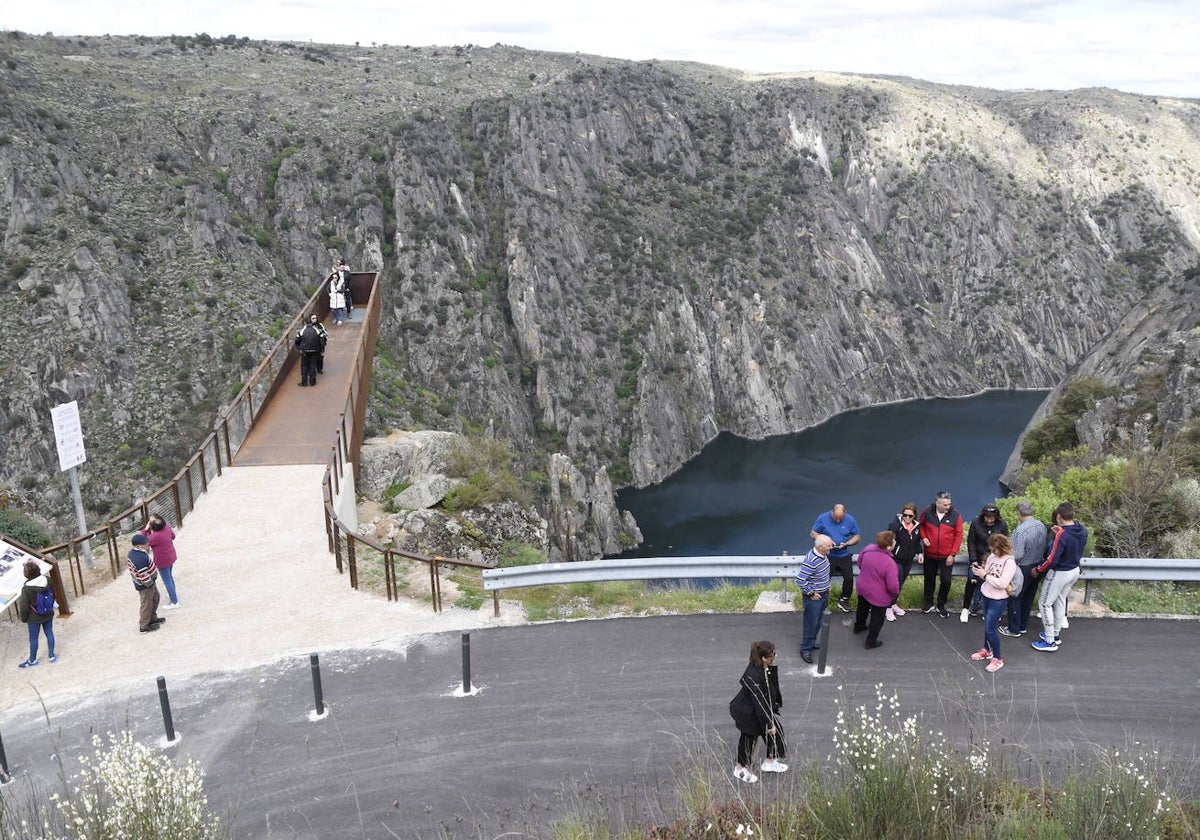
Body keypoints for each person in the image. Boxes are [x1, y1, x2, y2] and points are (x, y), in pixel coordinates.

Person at [728, 640, 788, 783]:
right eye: (772, 655)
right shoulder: (753, 676)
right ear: (763, 658)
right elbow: (759, 703)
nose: (775, 656)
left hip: (756, 709)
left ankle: (769, 762)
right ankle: (740, 769)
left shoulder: (762, 667)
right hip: (746, 712)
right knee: (749, 738)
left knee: (776, 732)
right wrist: (769, 723)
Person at [1031, 502, 1087, 652]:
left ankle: (1049, 641)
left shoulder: (1062, 535)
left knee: (1044, 603)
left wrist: (1038, 569)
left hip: (1059, 572)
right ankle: (1055, 635)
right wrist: (1061, 531)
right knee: (1060, 601)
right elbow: (1077, 542)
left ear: (1059, 517)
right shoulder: (1081, 529)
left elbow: (1052, 559)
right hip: (1074, 570)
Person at [970, 533, 1017, 673]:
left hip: (999, 599)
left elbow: (1002, 583)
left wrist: (984, 575)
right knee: (988, 626)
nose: (992, 551)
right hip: (986, 594)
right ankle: (987, 650)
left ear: (1001, 547)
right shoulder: (992, 557)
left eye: (994, 549)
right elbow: (988, 575)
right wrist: (981, 572)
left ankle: (998, 658)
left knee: (991, 629)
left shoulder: (1009, 562)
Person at [1001, 501, 1048, 637]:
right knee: (1029, 597)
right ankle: (1022, 625)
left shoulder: (1020, 531)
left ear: (1019, 514)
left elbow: (1018, 555)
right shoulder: (1041, 525)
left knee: (1015, 597)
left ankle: (1013, 629)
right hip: (1038, 566)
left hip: (1024, 568)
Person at [918, 491, 964, 618]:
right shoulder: (926, 511)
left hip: (946, 556)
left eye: (949, 504)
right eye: (945, 505)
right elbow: (920, 525)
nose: (948, 507)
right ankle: (928, 603)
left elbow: (958, 535)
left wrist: (952, 554)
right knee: (929, 579)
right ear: (937, 503)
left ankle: (941, 604)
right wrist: (924, 537)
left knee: (946, 580)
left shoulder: (955, 515)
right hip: (930, 554)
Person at [961, 504, 1009, 622]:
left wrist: (997, 558)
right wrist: (974, 560)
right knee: (971, 582)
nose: (989, 520)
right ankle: (965, 609)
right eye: (987, 517)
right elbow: (971, 542)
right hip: (977, 557)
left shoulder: (1002, 525)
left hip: (994, 559)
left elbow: (1003, 542)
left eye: (992, 517)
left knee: (991, 583)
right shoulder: (976, 523)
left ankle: (989, 611)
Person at [853, 531, 899, 650]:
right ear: (889, 546)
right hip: (879, 595)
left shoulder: (868, 549)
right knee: (877, 618)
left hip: (863, 586)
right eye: (894, 541)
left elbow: (859, 563)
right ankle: (870, 641)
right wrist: (894, 595)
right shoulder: (890, 563)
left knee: (862, 609)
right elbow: (892, 585)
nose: (895, 542)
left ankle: (859, 626)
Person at [810, 503, 860, 612]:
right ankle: (822, 600)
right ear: (832, 512)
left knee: (849, 578)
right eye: (835, 518)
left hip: (843, 554)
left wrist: (847, 543)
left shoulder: (850, 520)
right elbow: (813, 533)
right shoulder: (823, 518)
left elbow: (857, 537)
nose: (838, 521)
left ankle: (844, 600)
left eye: (840, 519)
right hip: (827, 554)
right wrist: (825, 540)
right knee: (824, 578)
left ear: (845, 513)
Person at [795, 534, 832, 664]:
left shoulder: (823, 555)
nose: (831, 547)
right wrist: (811, 593)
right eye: (829, 546)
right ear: (820, 547)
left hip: (823, 593)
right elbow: (800, 580)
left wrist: (827, 584)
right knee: (811, 623)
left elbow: (822, 573)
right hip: (814, 598)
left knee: (819, 622)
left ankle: (810, 643)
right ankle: (805, 649)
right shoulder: (812, 560)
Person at [886, 502, 924, 620]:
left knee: (900, 583)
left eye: (910, 516)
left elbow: (917, 542)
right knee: (895, 584)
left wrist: (920, 552)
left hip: (908, 560)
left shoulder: (917, 527)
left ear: (914, 516)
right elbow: (888, 541)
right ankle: (887, 608)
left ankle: (893, 604)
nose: (907, 518)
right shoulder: (895, 525)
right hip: (895, 560)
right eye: (905, 515)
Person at [16, 561, 56, 667]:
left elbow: (24, 607)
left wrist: (24, 618)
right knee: (49, 633)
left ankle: (32, 660)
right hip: (48, 613)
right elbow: (53, 593)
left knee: (34, 639)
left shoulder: (26, 588)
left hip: (34, 618)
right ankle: (51, 656)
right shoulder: (47, 580)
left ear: (27, 573)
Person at [128, 534, 165, 634]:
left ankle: (152, 618)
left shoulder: (135, 553)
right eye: (145, 543)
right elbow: (143, 575)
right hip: (146, 585)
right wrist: (150, 584)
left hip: (149, 582)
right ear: (138, 546)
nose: (148, 544)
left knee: (155, 598)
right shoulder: (139, 559)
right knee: (146, 604)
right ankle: (144, 626)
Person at [142, 513, 180, 609]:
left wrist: (146, 530)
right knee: (170, 577)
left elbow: (142, 542)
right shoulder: (166, 528)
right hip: (171, 556)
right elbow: (173, 536)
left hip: (162, 561)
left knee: (167, 581)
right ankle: (172, 593)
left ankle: (174, 602)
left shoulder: (154, 537)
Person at [295, 315, 325, 386]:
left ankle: (304, 382)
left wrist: (299, 348)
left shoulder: (302, 331)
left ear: (305, 323)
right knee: (313, 365)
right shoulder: (316, 330)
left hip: (305, 352)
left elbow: (297, 340)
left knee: (304, 366)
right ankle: (312, 382)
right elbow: (322, 340)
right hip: (315, 351)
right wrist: (321, 349)